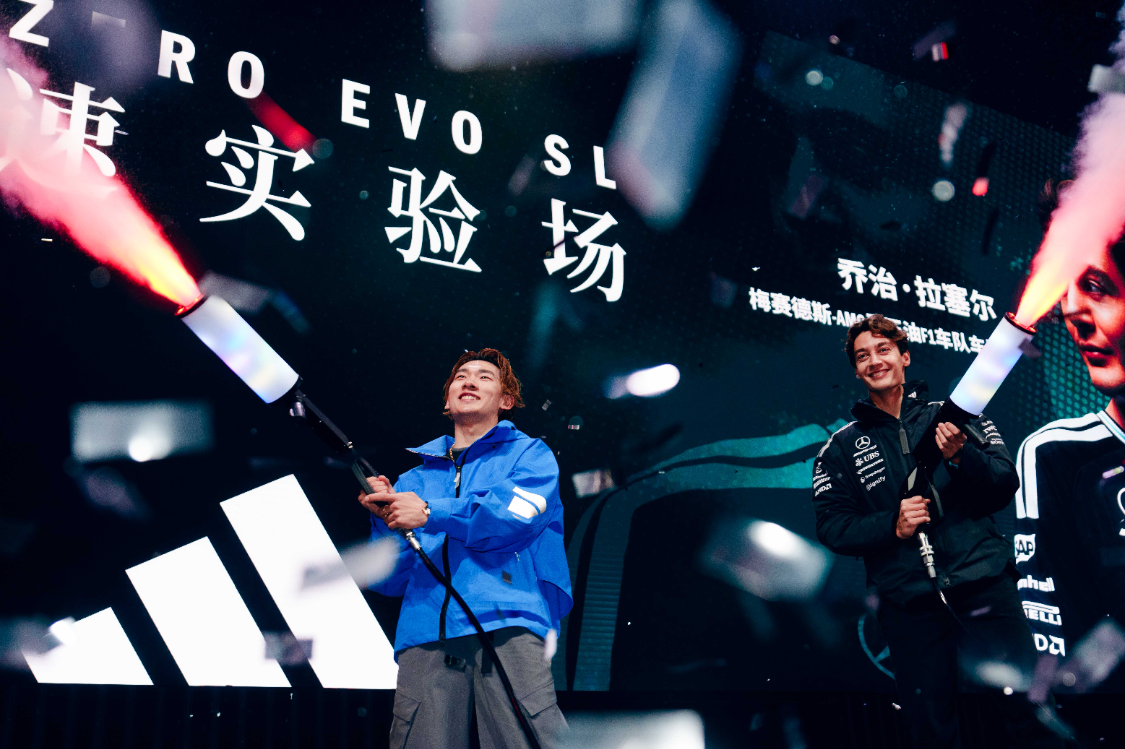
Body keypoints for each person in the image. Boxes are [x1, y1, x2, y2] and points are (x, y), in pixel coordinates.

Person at [811, 315, 1060, 748]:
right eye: (863, 356)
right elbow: (832, 526)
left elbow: (1004, 483)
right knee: (930, 728)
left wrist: (963, 457)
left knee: (1030, 710)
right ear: (856, 371)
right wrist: (892, 524)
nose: (875, 361)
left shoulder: (958, 415)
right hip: (908, 603)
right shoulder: (840, 448)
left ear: (905, 357)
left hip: (983, 583)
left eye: (884, 349)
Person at [357, 348, 572, 749]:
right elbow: (390, 580)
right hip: (425, 631)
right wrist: (385, 517)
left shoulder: (531, 455)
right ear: (447, 401)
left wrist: (429, 512)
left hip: (507, 620)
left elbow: (513, 518)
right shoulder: (411, 480)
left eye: (484, 377)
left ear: (506, 401)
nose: (469, 380)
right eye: (461, 376)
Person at [1012, 180, 1125, 688]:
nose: (1073, 312)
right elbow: (1068, 666)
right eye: (1067, 287)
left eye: (1097, 285)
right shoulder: (1058, 456)